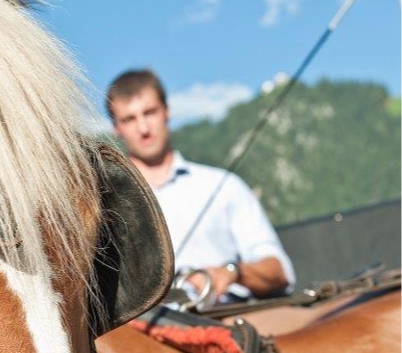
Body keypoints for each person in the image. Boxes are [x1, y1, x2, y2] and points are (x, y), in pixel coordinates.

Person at [106, 69, 295, 303]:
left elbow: (280, 273)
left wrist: (231, 272)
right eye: (129, 119)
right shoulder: (107, 204)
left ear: (167, 111)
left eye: (150, 112)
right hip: (142, 325)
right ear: (116, 128)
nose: (143, 129)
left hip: (225, 315)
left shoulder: (224, 186)